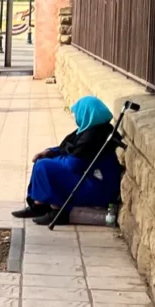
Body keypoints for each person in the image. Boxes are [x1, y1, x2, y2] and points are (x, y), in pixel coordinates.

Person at [12, 96, 123, 225]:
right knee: (43, 160)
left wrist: (53, 159)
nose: (76, 117)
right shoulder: (91, 128)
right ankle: (39, 206)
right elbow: (67, 147)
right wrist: (49, 152)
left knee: (45, 166)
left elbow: (73, 165)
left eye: (77, 113)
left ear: (86, 113)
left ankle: (57, 211)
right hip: (91, 179)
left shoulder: (94, 136)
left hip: (98, 189)